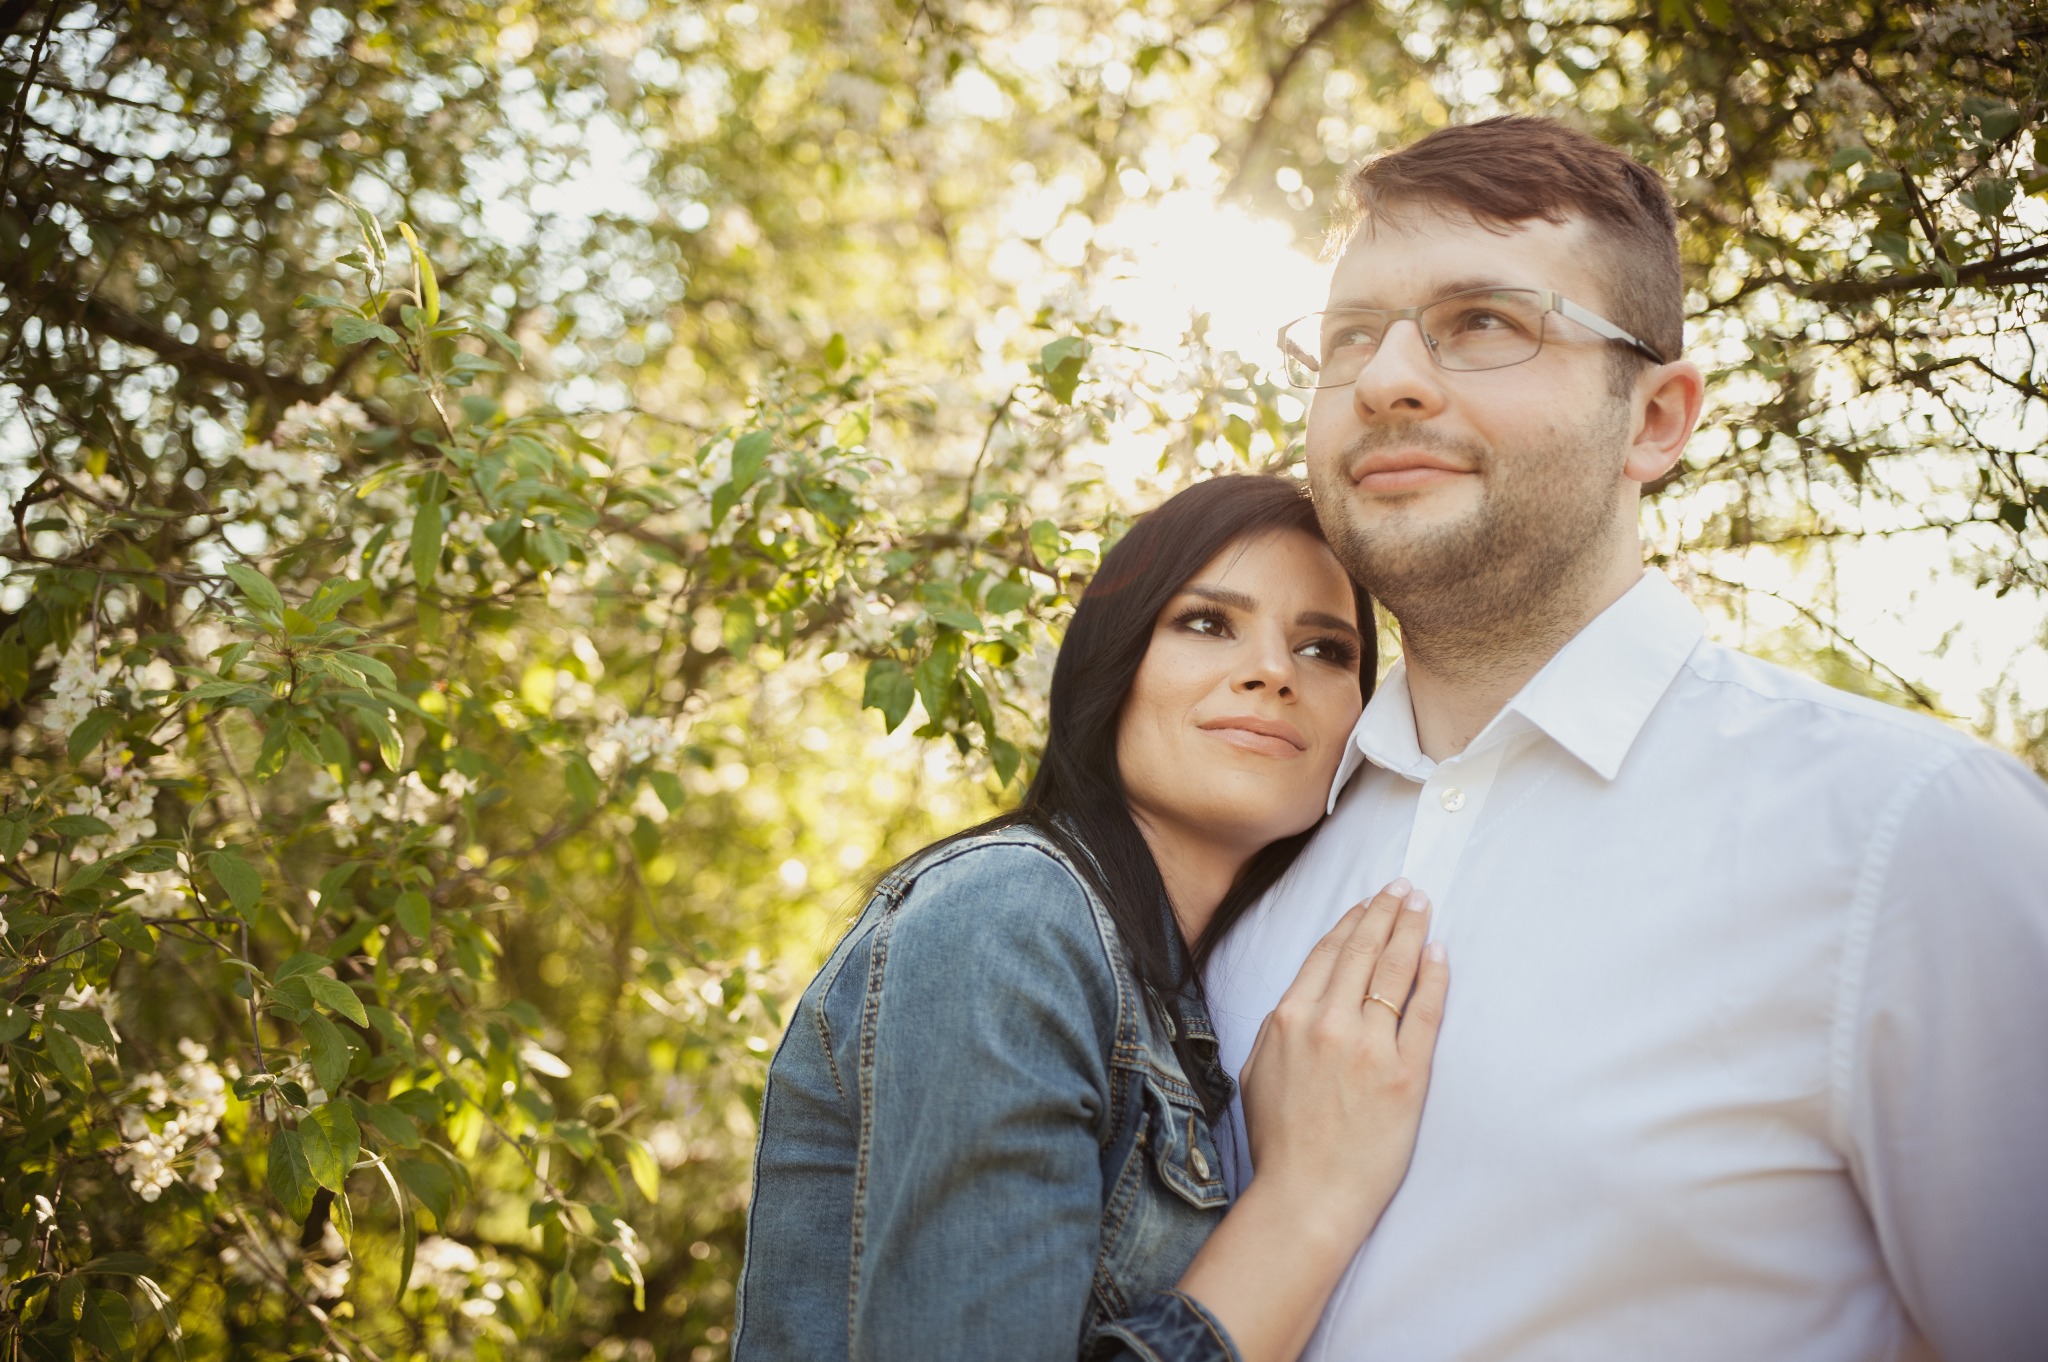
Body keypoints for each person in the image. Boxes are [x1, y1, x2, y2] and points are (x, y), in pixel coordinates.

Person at [1207, 115, 2048, 1361]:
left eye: (1482, 321)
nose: (1385, 378)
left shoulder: (1905, 831)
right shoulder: (1243, 858)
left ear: (1654, 419)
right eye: (1346, 337)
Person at [735, 474, 1451, 1362]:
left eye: (1325, 650)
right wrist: (1307, 1201)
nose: (1272, 670)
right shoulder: (1011, 914)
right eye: (1206, 622)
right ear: (1112, 666)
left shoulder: (1185, 992)